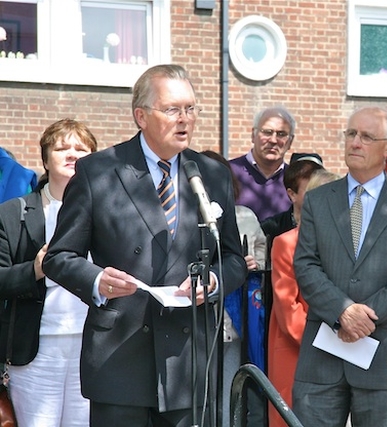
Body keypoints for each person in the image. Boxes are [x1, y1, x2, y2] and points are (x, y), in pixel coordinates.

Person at [42, 64, 247, 427]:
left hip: (188, 363)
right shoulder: (98, 171)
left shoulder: (211, 174)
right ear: (141, 116)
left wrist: (213, 281)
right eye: (172, 109)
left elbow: (231, 257)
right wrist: (96, 280)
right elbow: (60, 256)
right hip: (120, 360)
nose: (185, 119)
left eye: (191, 108)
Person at [292, 106, 387, 427]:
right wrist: (343, 311)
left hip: (385, 356)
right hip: (323, 353)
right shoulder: (318, 200)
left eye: (367, 136)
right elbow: (306, 264)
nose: (355, 142)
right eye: (351, 134)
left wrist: (363, 316)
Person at [0, 119, 97, 427]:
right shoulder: (14, 213)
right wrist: (36, 270)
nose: (72, 154)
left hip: (91, 346)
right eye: (61, 148)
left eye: (81, 149)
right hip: (36, 348)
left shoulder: (107, 213)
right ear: (45, 160)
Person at [267, 168, 341, 427]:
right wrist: (333, 344)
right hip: (299, 353)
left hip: (342, 354)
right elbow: (289, 312)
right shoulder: (286, 243)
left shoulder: (350, 247)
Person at [200, 149, 266, 427]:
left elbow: (262, 252)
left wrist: (254, 262)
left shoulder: (245, 216)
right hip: (196, 322)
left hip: (233, 323)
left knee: (229, 390)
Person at [230, 106, 296, 222]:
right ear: (253, 135)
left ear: (290, 141)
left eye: (281, 134)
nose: (273, 140)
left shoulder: (296, 181)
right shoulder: (228, 172)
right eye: (267, 132)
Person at [260, 157, 324, 242]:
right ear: (292, 194)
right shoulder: (271, 228)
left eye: (322, 189)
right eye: (311, 190)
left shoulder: (337, 223)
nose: (319, 195)